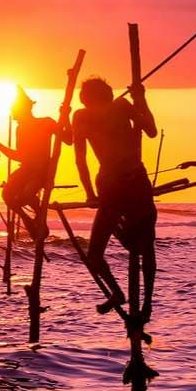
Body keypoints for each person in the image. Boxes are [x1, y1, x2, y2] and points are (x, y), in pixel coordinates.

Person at [72, 77, 158, 320]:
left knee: (145, 247)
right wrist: (89, 192)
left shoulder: (119, 107)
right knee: (97, 254)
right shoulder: (84, 116)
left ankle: (146, 306)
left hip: (132, 183)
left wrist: (140, 100)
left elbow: (150, 130)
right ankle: (122, 295)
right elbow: (80, 157)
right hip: (112, 187)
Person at [0, 86, 70, 241]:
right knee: (7, 194)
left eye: (14, 110)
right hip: (26, 169)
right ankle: (27, 219)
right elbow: (18, 156)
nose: (13, 115)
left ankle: (39, 217)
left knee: (27, 194)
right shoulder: (20, 129)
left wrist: (66, 117)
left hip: (41, 170)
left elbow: (69, 140)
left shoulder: (46, 122)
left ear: (24, 109)